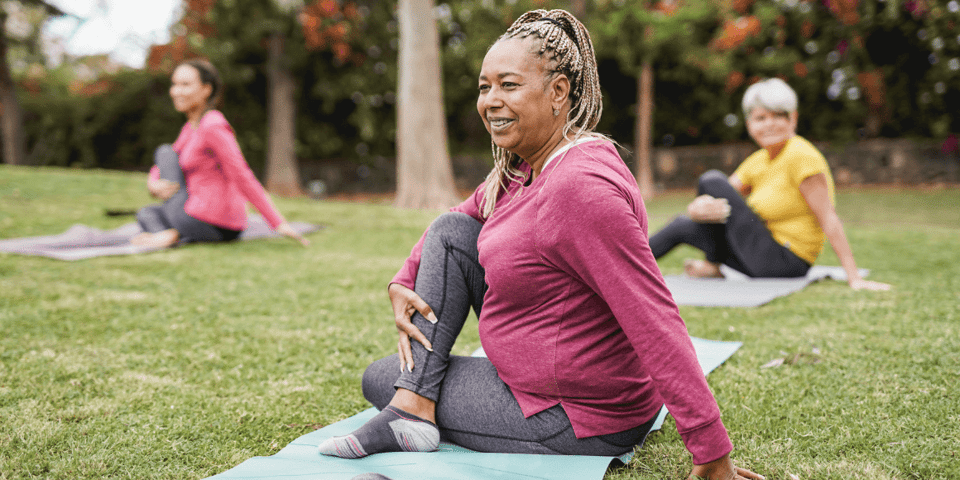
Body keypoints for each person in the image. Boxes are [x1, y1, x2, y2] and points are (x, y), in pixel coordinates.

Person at [318, 10, 762, 480]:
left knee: (379, 377)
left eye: (508, 85)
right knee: (451, 237)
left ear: (558, 93)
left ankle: (411, 403)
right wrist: (402, 279)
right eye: (484, 87)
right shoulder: (526, 165)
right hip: (538, 384)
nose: (490, 100)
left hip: (575, 417)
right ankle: (413, 403)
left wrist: (712, 453)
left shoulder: (579, 188)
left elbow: (653, 317)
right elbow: (457, 221)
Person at [648, 78, 890, 291]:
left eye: (778, 116)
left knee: (710, 178)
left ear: (793, 118)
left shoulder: (800, 155)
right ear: (749, 124)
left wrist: (854, 278)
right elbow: (721, 196)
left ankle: (712, 265)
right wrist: (697, 208)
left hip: (786, 260)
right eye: (761, 118)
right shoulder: (759, 160)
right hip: (757, 254)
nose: (769, 124)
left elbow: (828, 217)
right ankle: (620, 272)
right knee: (683, 224)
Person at [132, 59, 308, 248]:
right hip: (196, 215)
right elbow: (165, 163)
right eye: (174, 84)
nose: (176, 91)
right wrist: (153, 183)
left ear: (206, 89)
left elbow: (241, 174)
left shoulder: (212, 124)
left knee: (164, 151)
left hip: (212, 220)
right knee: (146, 213)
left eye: (185, 84)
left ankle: (172, 234)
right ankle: (171, 234)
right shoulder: (190, 128)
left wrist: (278, 223)